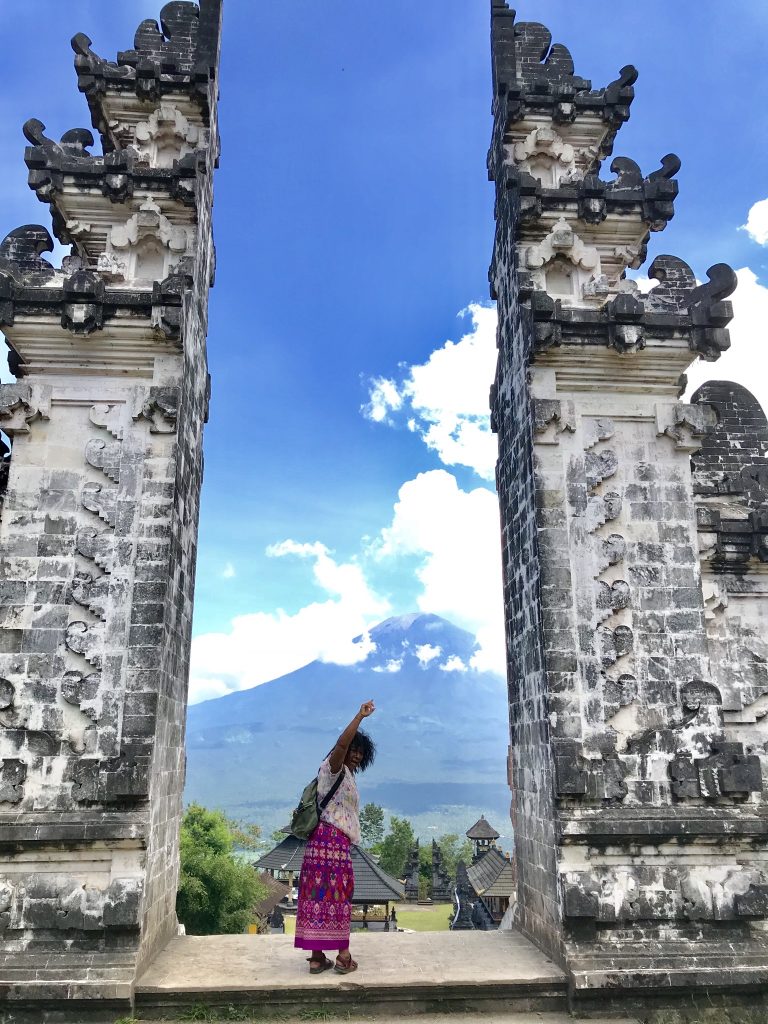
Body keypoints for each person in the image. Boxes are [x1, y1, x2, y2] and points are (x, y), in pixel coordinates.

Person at [294, 700, 376, 974]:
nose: (356, 755)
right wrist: (359, 717)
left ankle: (318, 958)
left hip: (322, 844)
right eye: (354, 749)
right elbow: (340, 746)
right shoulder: (333, 767)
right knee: (338, 896)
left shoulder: (347, 775)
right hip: (332, 843)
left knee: (317, 895)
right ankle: (342, 956)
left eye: (361, 753)